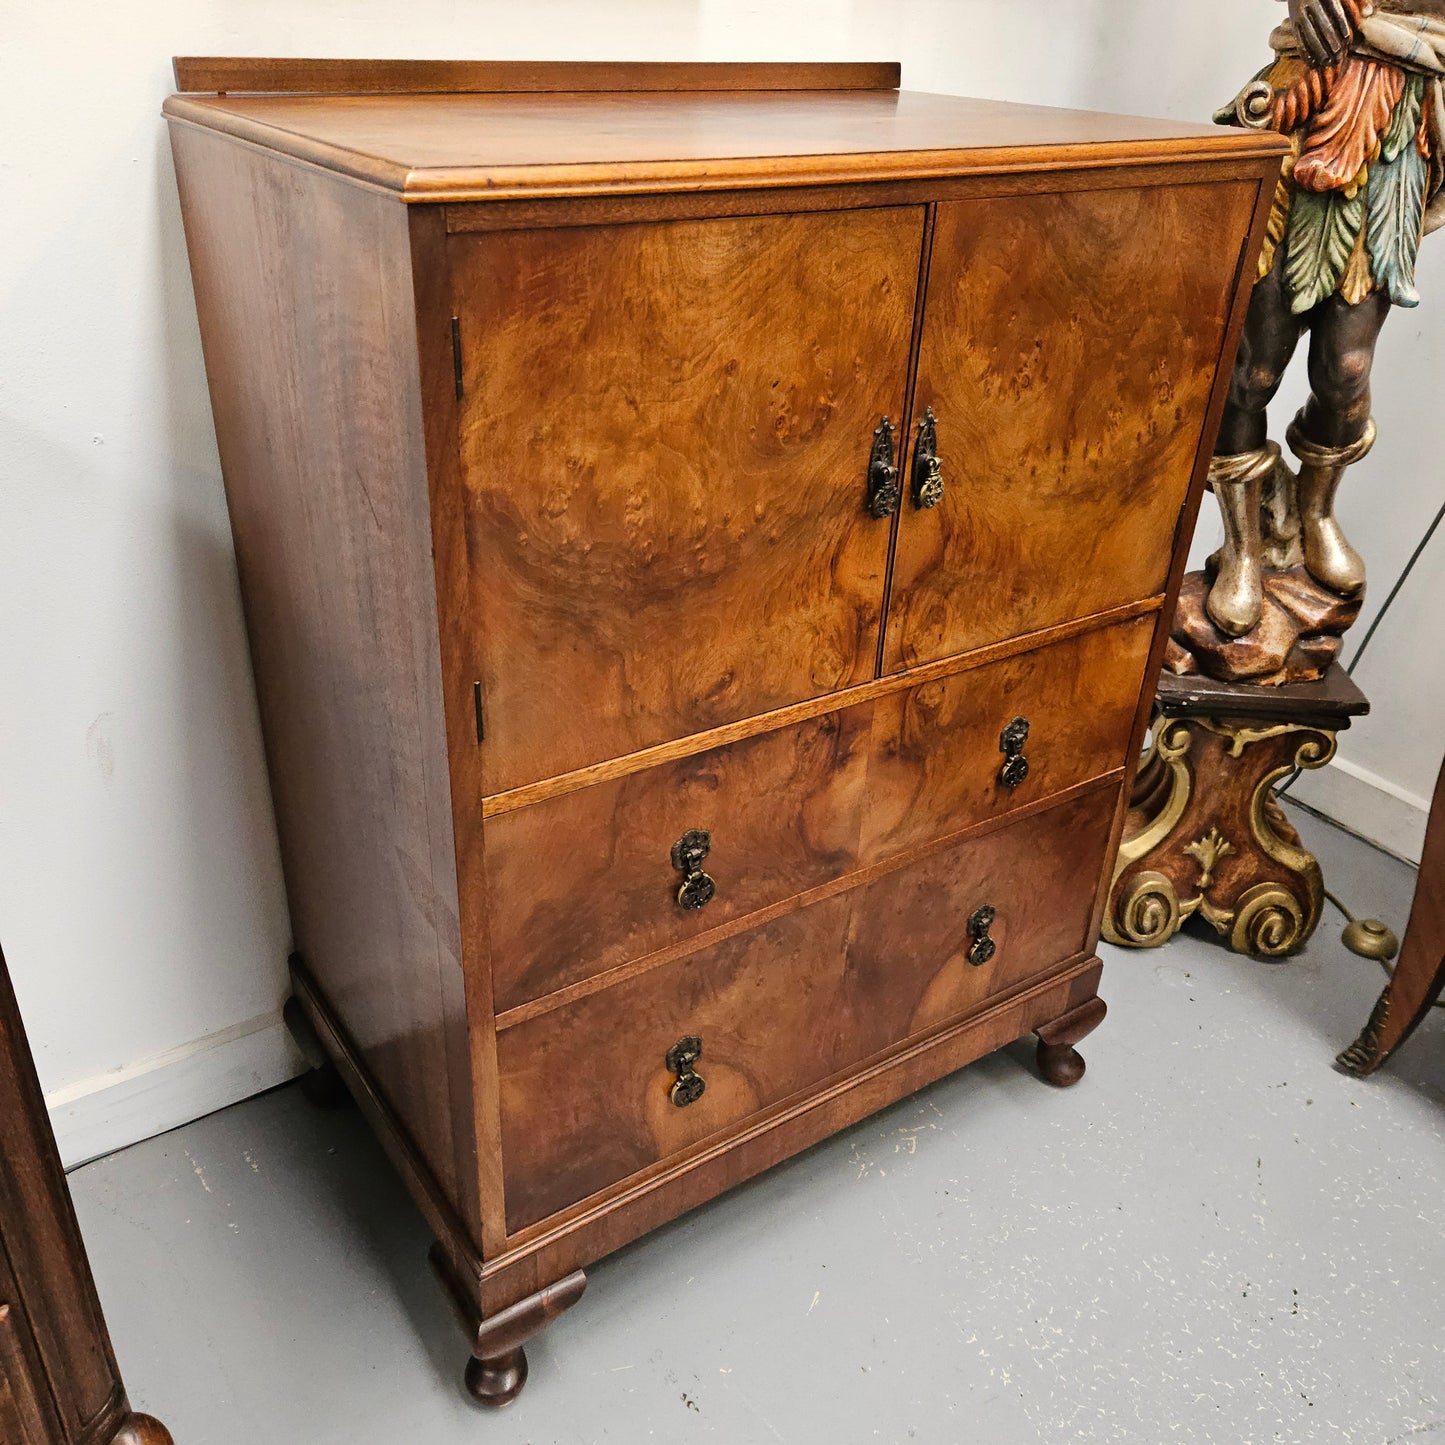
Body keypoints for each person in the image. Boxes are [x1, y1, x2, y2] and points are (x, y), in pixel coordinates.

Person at [1206, 0, 1445, 641]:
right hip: (1311, 92)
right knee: (1252, 369)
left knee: (1346, 368)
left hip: (1400, 117)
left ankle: (1315, 512)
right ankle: (1243, 546)